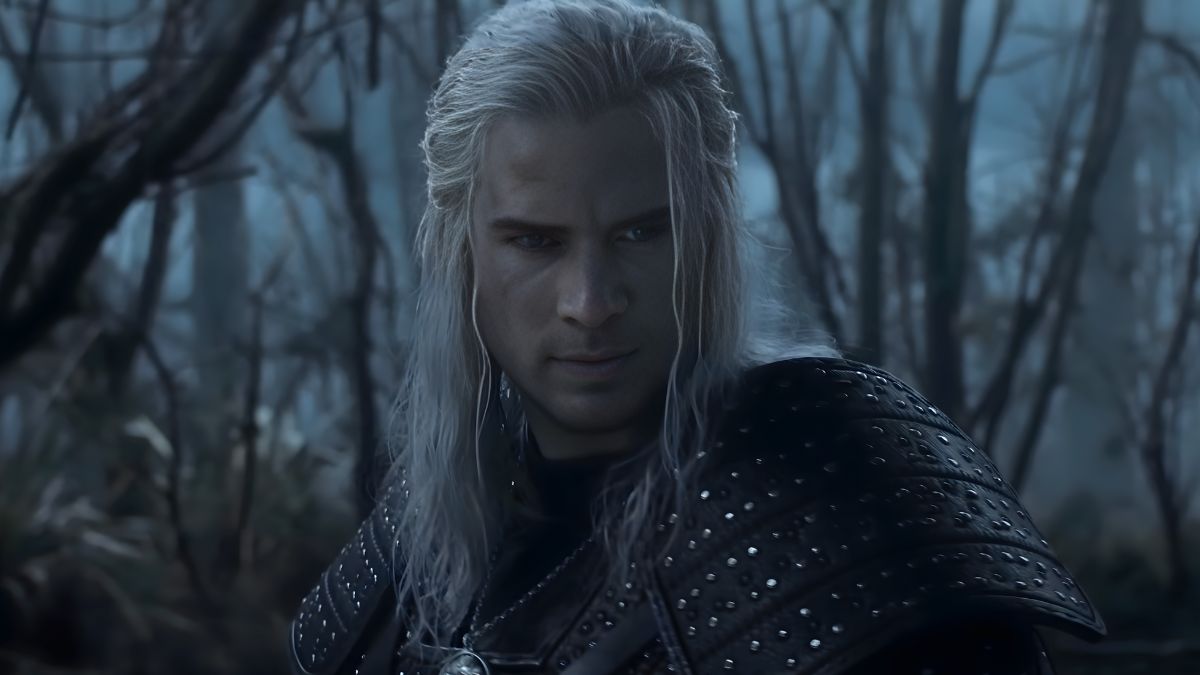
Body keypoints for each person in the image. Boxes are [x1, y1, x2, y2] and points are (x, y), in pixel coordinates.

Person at [289, 1, 1105, 673]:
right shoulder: (420, 538)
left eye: (643, 232)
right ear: (459, 249)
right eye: (536, 241)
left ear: (712, 234)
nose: (590, 302)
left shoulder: (855, 509)